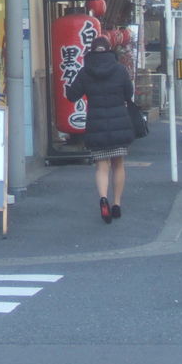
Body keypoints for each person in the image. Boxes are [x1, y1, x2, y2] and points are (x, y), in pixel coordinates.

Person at [65, 35, 136, 224]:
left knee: (102, 166)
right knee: (118, 165)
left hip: (96, 124)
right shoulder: (120, 70)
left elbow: (72, 96)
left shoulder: (85, 71)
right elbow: (129, 94)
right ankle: (117, 204)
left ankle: (103, 197)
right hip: (118, 123)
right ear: (109, 49)